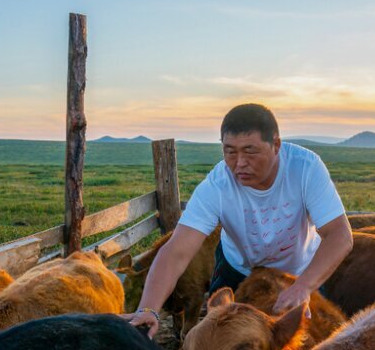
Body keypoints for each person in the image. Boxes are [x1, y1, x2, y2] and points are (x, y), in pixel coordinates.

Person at [125, 103, 353, 338]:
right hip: (237, 267)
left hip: (299, 270)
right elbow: (176, 252)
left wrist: (304, 286)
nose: (240, 163)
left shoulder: (305, 168)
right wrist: (148, 308)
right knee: (222, 339)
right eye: (230, 151)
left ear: (276, 145)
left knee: (313, 340)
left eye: (250, 151)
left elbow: (339, 235)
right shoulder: (218, 185)